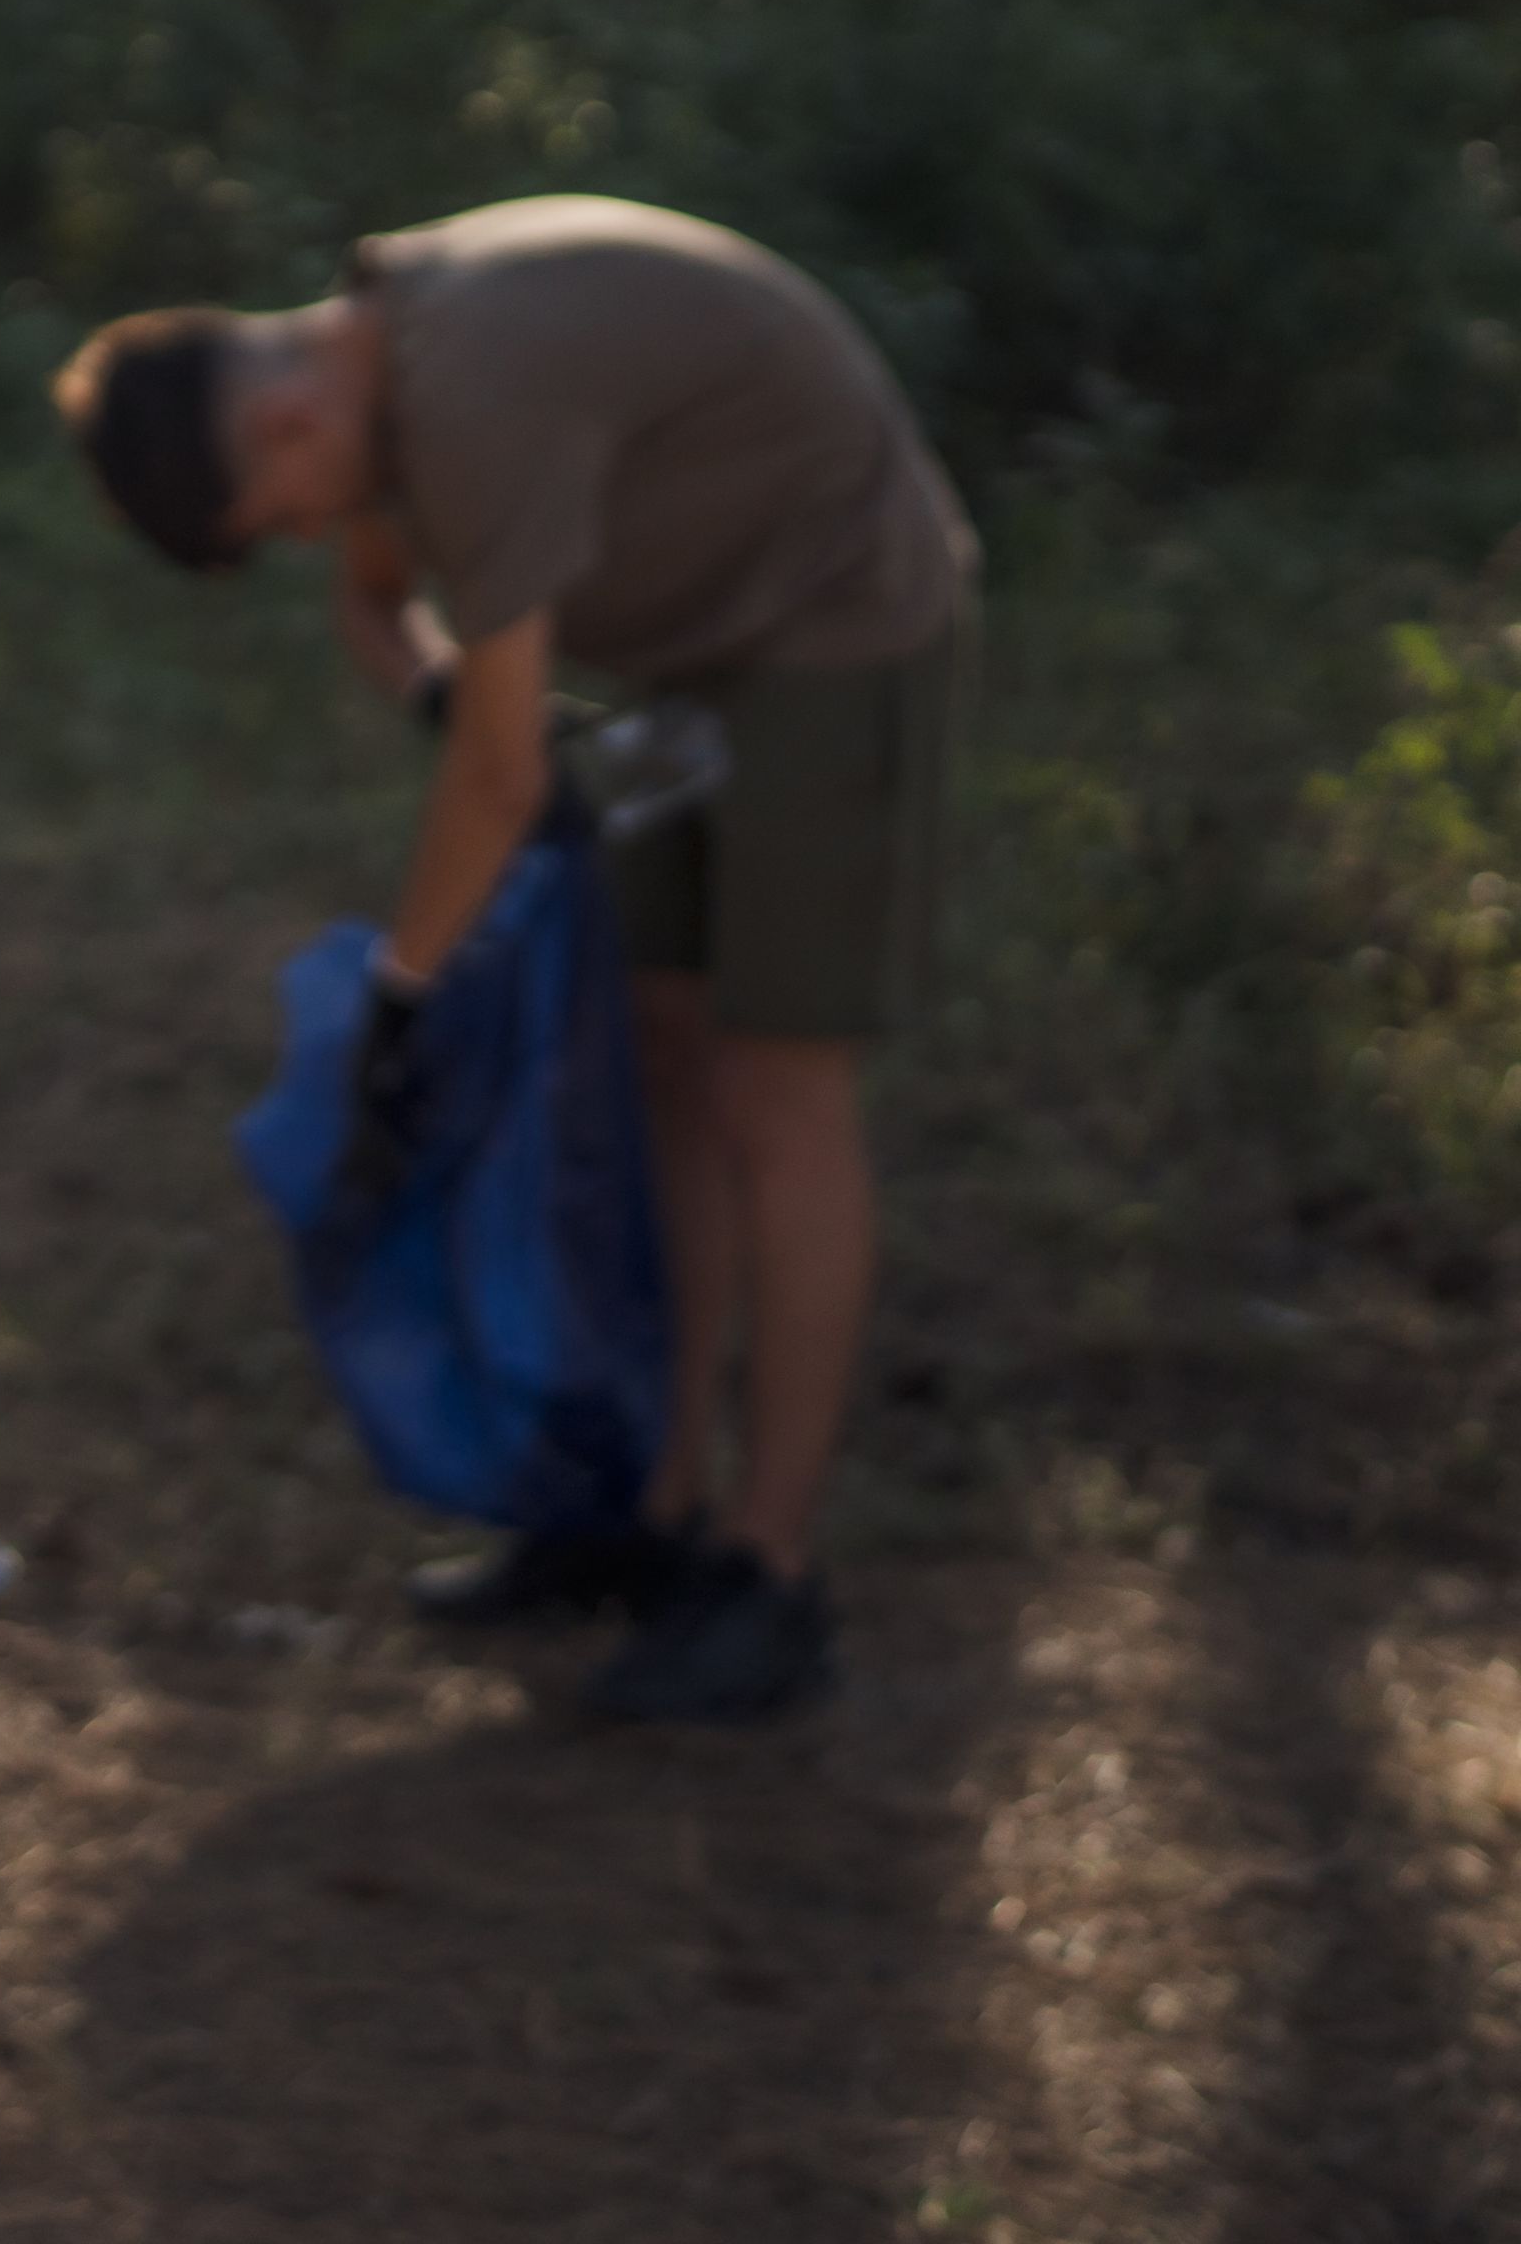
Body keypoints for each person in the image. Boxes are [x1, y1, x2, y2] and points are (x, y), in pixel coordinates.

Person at [54, 199, 972, 1721]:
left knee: (779, 1095)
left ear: (284, 422)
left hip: (840, 631)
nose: (307, 538)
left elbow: (497, 787)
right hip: (691, 673)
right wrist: (443, 701)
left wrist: (404, 1000)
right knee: (669, 1063)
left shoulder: (470, 387)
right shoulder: (372, 365)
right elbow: (378, 606)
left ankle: (772, 1573)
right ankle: (652, 1510)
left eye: (279, 514)